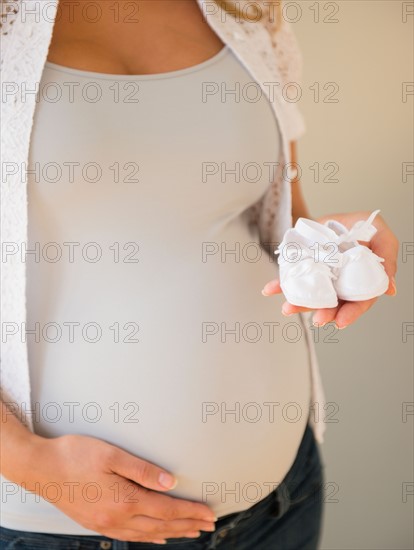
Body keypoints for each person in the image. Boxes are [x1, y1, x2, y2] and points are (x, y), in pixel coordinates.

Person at [0, 0, 398, 548]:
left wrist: (339, 242)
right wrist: (27, 463)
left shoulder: (249, 12)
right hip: (66, 528)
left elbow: (278, 219)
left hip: (283, 497)